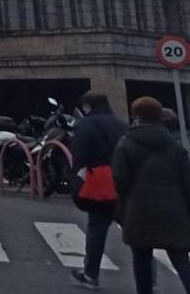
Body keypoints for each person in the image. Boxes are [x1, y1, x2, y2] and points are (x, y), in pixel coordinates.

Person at [114, 96, 190, 294]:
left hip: (139, 211)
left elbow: (120, 180)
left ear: (136, 117)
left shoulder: (126, 144)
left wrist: (121, 211)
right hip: (174, 211)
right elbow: (189, 185)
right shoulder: (175, 147)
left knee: (142, 260)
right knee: (181, 261)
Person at [68, 91, 128, 290]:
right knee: (133, 230)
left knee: (97, 229)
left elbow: (80, 155)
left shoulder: (85, 125)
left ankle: (91, 274)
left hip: (100, 182)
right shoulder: (121, 125)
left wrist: (75, 176)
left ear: (87, 107)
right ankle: (149, 277)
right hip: (124, 182)